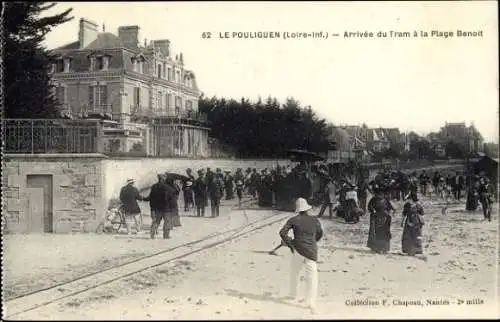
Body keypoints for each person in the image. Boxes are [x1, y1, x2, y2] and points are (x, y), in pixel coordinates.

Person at [279, 198, 323, 312]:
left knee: (295, 272)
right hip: (312, 251)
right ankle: (311, 301)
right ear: (307, 209)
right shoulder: (315, 220)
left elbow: (282, 232)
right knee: (312, 277)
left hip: (298, 249)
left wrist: (290, 244)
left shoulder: (293, 220)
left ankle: (293, 294)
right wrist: (312, 242)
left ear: (298, 210)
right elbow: (319, 234)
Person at [367, 185, 393, 254]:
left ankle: (384, 248)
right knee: (374, 232)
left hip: (384, 218)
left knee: (384, 233)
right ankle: (375, 247)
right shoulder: (373, 200)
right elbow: (370, 207)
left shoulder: (386, 200)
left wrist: (389, 212)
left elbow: (390, 208)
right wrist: (373, 211)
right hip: (375, 218)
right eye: (379, 194)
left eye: (382, 194)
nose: (381, 195)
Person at [142, 174, 168, 239]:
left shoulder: (154, 186)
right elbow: (167, 198)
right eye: (164, 178)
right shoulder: (166, 187)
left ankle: (152, 235)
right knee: (167, 221)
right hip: (163, 208)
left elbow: (150, 197)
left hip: (154, 208)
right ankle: (165, 236)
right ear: (162, 179)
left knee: (155, 221)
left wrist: (143, 198)